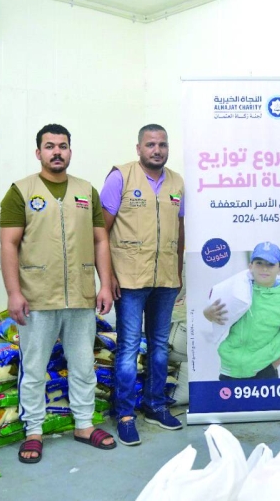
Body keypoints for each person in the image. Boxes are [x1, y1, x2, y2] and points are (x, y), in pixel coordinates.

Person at [0, 123, 116, 463]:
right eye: (49, 146)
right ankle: (34, 431)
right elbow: (8, 244)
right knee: (34, 368)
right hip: (37, 296)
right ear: (39, 152)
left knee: (83, 365)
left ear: (70, 151)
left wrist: (105, 284)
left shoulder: (86, 191)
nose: (57, 152)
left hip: (80, 295)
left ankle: (84, 425)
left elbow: (100, 240)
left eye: (62, 146)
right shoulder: (20, 192)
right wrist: (13, 292)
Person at [100, 124, 185, 447]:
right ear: (139, 148)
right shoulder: (120, 177)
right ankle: (124, 414)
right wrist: (107, 277)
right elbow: (100, 233)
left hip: (165, 279)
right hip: (129, 279)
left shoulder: (177, 182)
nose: (157, 150)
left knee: (160, 346)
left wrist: (178, 272)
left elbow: (180, 230)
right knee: (129, 347)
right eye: (150, 144)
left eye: (162, 144)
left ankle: (155, 406)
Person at [203, 242, 280, 380]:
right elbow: (214, 315)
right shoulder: (238, 291)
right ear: (250, 266)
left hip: (264, 373)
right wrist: (208, 313)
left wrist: (275, 364)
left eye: (271, 264)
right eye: (259, 263)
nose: (264, 268)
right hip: (229, 370)